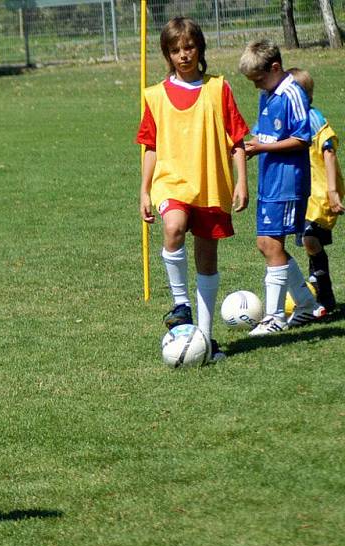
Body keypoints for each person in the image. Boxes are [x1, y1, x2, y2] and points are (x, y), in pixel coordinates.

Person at [137, 17, 249, 361]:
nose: (183, 55)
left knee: (207, 257)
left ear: (199, 48)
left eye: (188, 47)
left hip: (210, 184)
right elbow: (150, 145)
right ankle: (180, 304)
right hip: (171, 181)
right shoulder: (155, 96)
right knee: (173, 227)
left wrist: (242, 180)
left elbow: (237, 141)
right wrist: (144, 190)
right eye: (175, 50)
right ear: (167, 55)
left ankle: (205, 335)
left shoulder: (218, 88)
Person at [239, 40, 326, 336]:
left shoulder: (292, 93)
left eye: (259, 79)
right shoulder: (268, 93)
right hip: (269, 179)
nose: (255, 86)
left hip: (287, 181)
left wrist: (262, 148)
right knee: (266, 244)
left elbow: (303, 139)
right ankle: (304, 305)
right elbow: (264, 135)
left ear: (275, 67)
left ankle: (275, 317)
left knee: (272, 245)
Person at [287, 67, 344, 312]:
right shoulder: (293, 122)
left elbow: (328, 153)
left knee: (310, 238)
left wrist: (332, 192)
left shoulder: (313, 119)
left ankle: (325, 296)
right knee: (309, 242)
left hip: (321, 194)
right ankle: (318, 291)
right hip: (303, 195)